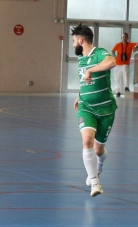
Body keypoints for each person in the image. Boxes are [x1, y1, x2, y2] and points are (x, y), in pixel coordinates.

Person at [71, 24, 117, 197]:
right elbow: (85, 83)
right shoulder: (80, 60)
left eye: (74, 41)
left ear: (81, 40)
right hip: (86, 107)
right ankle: (95, 183)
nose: (73, 44)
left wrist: (91, 69)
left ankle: (99, 166)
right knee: (87, 141)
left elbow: (112, 62)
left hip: (106, 109)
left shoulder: (99, 53)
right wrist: (80, 95)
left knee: (98, 150)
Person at [111, 33, 138, 97]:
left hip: (125, 63)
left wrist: (135, 48)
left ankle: (126, 87)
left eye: (126, 37)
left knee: (125, 74)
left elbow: (137, 45)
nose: (124, 38)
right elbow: (113, 50)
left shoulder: (130, 44)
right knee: (117, 78)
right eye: (123, 37)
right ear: (122, 38)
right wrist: (114, 56)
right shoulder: (118, 45)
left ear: (127, 38)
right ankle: (118, 91)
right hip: (117, 63)